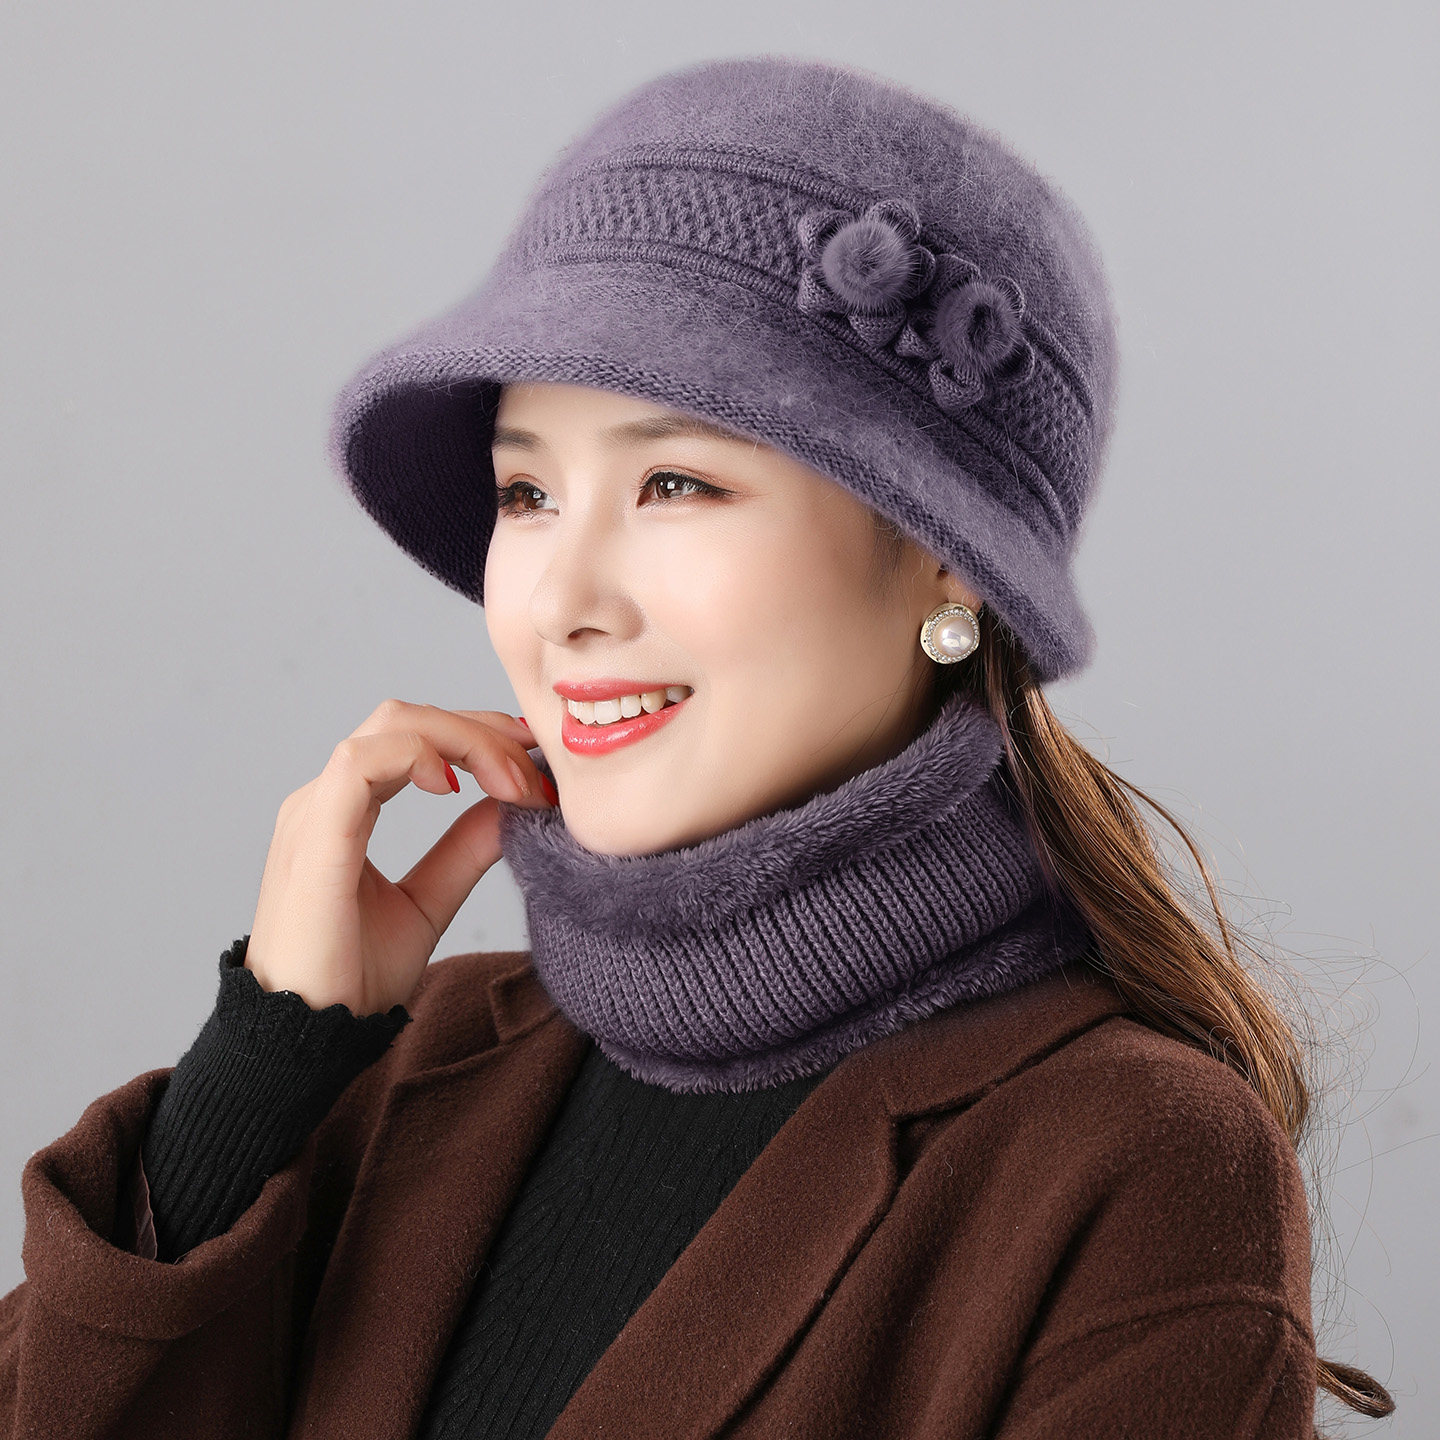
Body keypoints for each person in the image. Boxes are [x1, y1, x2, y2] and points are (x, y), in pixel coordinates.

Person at [1, 54, 1394, 1440]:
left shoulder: (1129, 1160)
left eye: (674, 482)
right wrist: (261, 1072)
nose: (559, 601)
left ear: (950, 561)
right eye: (526, 493)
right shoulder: (410, 1060)